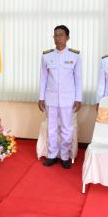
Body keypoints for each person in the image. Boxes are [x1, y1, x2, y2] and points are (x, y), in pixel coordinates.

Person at [38, 25, 82, 169]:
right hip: (50, 98)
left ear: (67, 38)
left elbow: (78, 79)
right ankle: (51, 155)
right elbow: (43, 78)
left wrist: (78, 98)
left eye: (61, 35)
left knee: (66, 128)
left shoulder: (75, 55)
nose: (58, 38)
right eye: (55, 35)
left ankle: (64, 156)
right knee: (51, 127)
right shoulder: (46, 55)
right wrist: (41, 97)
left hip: (68, 99)